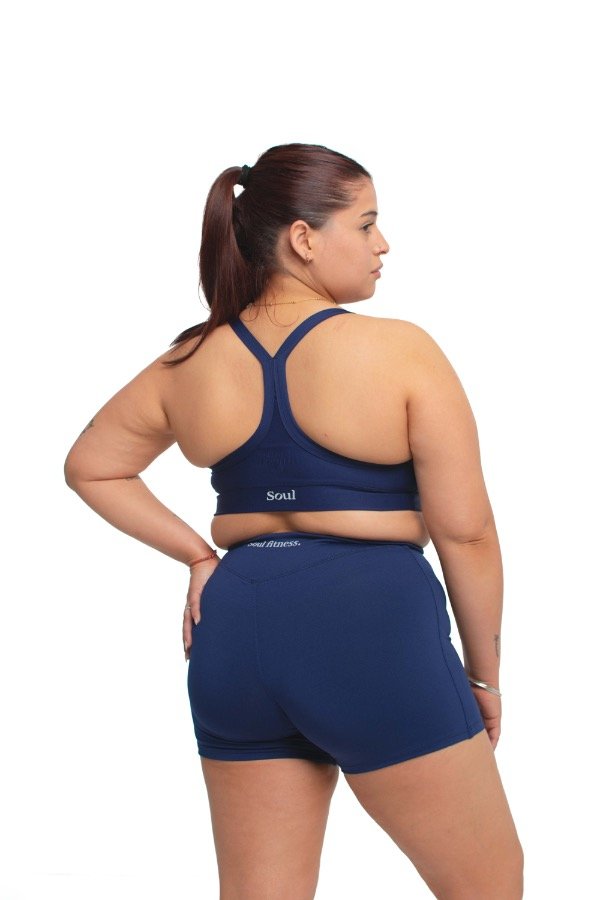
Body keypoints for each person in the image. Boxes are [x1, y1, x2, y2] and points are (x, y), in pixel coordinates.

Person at [64, 142, 524, 899]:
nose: (382, 244)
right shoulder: (400, 350)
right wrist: (484, 676)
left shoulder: (190, 361)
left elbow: (92, 465)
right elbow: (467, 534)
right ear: (304, 238)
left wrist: (199, 556)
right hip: (369, 623)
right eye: (366, 224)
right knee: (488, 884)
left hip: (235, 630)